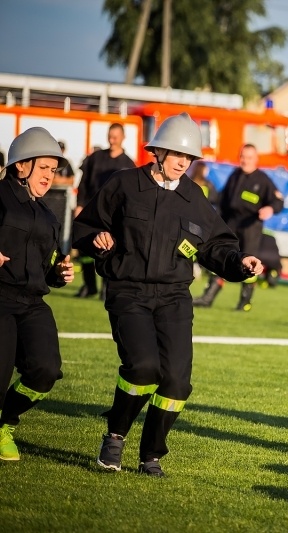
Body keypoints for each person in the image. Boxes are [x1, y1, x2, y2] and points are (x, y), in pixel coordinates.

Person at [72, 113, 264, 476]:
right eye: (176, 154)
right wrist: (96, 240)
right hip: (128, 291)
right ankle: (115, 435)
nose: (182, 162)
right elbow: (86, 224)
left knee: (177, 381)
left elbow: (216, 246)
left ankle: (151, 455)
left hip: (175, 297)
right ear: (157, 151)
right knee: (143, 367)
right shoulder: (124, 184)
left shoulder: (194, 198)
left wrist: (240, 263)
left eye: (189, 157)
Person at [0, 127, 75, 460]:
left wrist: (59, 273)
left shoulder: (48, 215)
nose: (50, 175)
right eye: (43, 168)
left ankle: (6, 423)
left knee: (45, 371)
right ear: (21, 166)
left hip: (32, 303)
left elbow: (49, 262)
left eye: (53, 169)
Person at [193, 144, 283, 311]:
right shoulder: (235, 175)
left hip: (250, 227)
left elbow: (278, 201)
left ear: (256, 159)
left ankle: (244, 302)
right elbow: (222, 199)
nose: (245, 161)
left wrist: (270, 209)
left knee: (248, 263)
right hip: (231, 224)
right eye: (242, 156)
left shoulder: (263, 180)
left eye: (249, 157)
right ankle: (208, 297)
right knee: (221, 257)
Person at [74, 123, 136, 299]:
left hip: (113, 214)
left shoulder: (128, 164)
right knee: (85, 247)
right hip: (91, 210)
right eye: (110, 135)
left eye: (115, 136)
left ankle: (105, 288)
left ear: (123, 138)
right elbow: (84, 182)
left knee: (109, 248)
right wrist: (80, 205)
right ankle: (89, 285)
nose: (112, 139)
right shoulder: (95, 157)